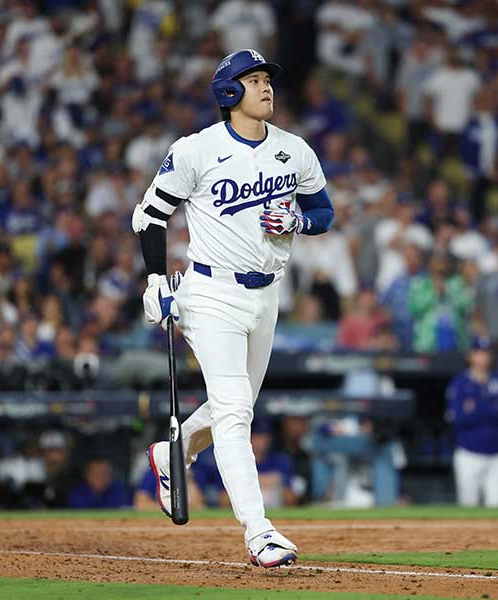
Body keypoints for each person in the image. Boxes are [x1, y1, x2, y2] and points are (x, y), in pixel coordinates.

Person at [136, 49, 333, 568]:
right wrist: (156, 279)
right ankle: (259, 532)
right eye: (253, 79)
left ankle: (173, 454)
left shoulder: (295, 150)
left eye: (267, 78)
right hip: (210, 293)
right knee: (236, 412)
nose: (266, 86)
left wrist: (298, 222)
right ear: (229, 93)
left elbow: (323, 211)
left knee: (234, 403)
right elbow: (149, 216)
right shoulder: (196, 150)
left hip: (267, 293)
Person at [445, 336, 498, 507]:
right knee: (468, 506)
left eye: (487, 353)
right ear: (470, 355)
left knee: (497, 506)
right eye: (479, 352)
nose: (483, 357)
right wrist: (492, 407)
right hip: (469, 454)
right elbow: (459, 418)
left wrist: (476, 408)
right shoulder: (460, 383)